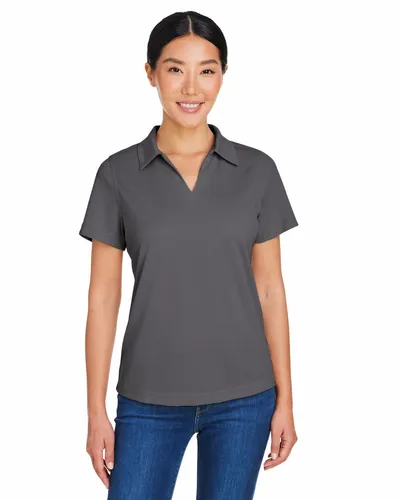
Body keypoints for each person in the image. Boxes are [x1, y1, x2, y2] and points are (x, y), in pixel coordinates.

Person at [79, 10, 299, 500]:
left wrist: (285, 399)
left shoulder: (257, 171)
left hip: (245, 399)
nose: (191, 87)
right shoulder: (117, 175)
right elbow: (103, 299)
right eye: (175, 69)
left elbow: (270, 289)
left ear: (223, 75)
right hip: (147, 399)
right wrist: (96, 412)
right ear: (151, 73)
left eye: (207, 70)